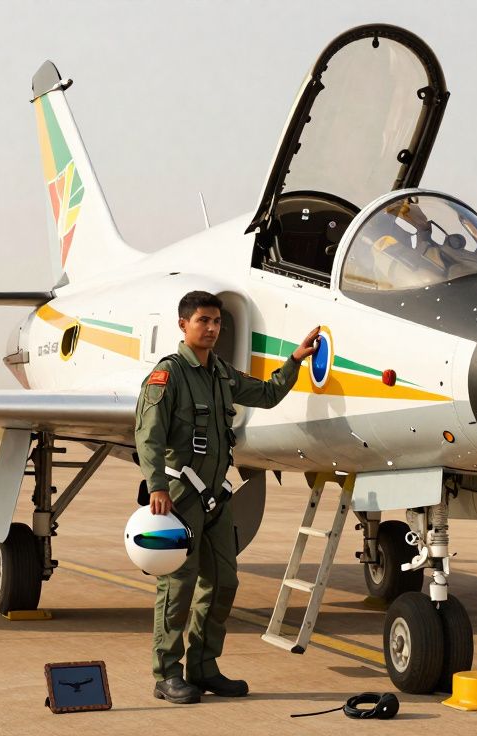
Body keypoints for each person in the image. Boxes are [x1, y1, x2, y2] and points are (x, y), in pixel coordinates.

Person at [135, 290, 319, 705]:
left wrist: (294, 362)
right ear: (183, 325)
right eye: (203, 321)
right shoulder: (168, 375)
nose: (213, 328)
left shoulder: (221, 373)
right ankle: (166, 674)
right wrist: (157, 488)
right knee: (177, 585)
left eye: (217, 322)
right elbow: (148, 436)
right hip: (179, 496)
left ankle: (203, 667)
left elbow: (268, 395)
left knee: (223, 582)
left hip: (216, 497)